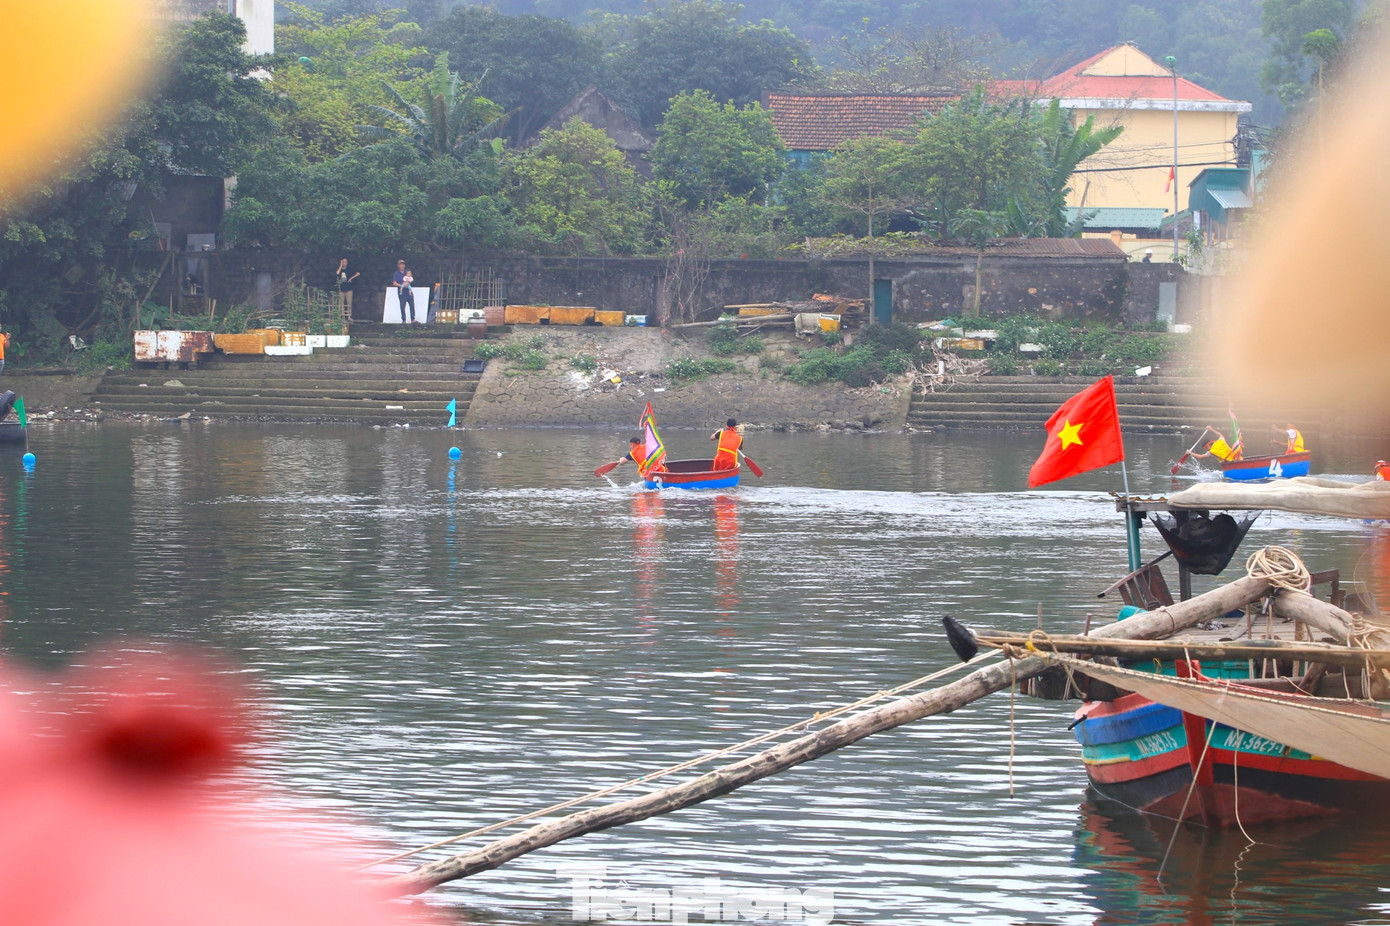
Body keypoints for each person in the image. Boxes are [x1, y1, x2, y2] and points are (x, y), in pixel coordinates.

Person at [334, 257, 359, 322]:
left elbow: (358, 273)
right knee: (341, 303)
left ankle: (349, 316)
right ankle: (341, 316)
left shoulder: (349, 269)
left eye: (345, 262)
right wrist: (340, 265)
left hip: (349, 289)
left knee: (349, 303)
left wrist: (351, 278)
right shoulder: (340, 269)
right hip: (341, 289)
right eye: (343, 262)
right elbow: (337, 273)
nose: (344, 263)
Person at [393, 259, 415, 324]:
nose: (402, 266)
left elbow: (411, 279)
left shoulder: (407, 272)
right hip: (402, 291)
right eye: (400, 264)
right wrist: (401, 285)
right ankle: (403, 320)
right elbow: (394, 283)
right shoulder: (396, 273)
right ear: (398, 265)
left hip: (408, 291)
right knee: (402, 306)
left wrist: (408, 283)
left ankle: (413, 319)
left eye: (403, 264)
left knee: (412, 304)